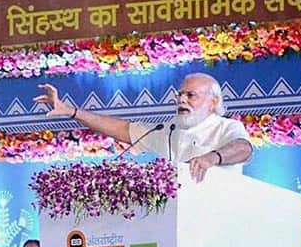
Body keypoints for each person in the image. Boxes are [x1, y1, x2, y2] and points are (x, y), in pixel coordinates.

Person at [35, 73, 253, 182]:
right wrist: (72, 112)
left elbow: (244, 148)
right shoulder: (166, 129)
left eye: (190, 95)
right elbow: (122, 129)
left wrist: (211, 158)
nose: (181, 100)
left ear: (213, 102)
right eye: (180, 94)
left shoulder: (226, 126)